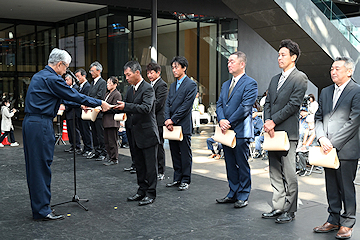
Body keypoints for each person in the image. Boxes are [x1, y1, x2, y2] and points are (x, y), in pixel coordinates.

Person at [22, 48, 110, 220]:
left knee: (34, 168)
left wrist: (81, 105)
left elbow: (62, 98)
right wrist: (99, 103)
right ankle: (42, 211)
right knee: (41, 167)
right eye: (66, 67)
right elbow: (73, 94)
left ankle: (39, 207)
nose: (66, 71)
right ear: (60, 64)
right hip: (41, 124)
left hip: (31, 123)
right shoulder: (53, 78)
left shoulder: (40, 76)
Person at [313, 56, 360, 239]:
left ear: (349, 71)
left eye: (337, 69)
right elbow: (318, 117)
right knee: (331, 185)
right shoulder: (325, 91)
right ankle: (333, 219)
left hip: (346, 149)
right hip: (326, 147)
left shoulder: (357, 91)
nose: (333, 71)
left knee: (346, 187)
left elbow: (354, 121)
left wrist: (332, 142)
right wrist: (322, 137)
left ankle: (347, 223)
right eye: (332, 68)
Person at [262, 39, 308, 223]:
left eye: (283, 55)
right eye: (278, 55)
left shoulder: (300, 77)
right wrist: (267, 121)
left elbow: (293, 105)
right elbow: (267, 103)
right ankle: (278, 206)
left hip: (288, 133)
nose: (279, 58)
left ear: (293, 57)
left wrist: (273, 121)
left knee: (289, 174)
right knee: (274, 171)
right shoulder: (274, 79)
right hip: (271, 131)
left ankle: (290, 210)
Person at [215, 51, 258, 208]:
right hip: (226, 131)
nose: (229, 64)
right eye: (228, 62)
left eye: (232, 61)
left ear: (242, 64)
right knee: (230, 163)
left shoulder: (250, 83)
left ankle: (243, 194)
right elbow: (219, 104)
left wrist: (229, 122)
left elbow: (245, 107)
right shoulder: (226, 84)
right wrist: (221, 120)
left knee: (242, 163)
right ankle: (232, 192)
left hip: (240, 131)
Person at [115, 60, 159, 206]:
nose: (126, 78)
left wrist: (126, 106)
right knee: (139, 164)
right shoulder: (130, 90)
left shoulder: (148, 89)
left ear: (137, 73)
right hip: (133, 132)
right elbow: (126, 107)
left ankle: (151, 193)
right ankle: (141, 190)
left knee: (150, 165)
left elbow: (146, 108)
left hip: (147, 133)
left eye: (128, 75)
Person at [164, 56, 197, 191]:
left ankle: (185, 179)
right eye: (172, 67)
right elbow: (167, 103)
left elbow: (186, 106)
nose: (174, 70)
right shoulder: (172, 85)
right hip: (171, 125)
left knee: (185, 153)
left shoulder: (191, 84)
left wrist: (173, 119)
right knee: (174, 153)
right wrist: (167, 119)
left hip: (183, 124)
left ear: (184, 68)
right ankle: (177, 178)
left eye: (176, 67)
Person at [146, 62, 168, 181]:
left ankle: (161, 170)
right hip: (150, 119)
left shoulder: (162, 85)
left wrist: (146, 107)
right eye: (148, 73)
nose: (149, 75)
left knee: (159, 145)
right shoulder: (149, 85)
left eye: (151, 73)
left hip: (158, 120)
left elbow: (159, 103)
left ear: (158, 73)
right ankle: (153, 169)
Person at [86, 61, 107, 161]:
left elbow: (100, 96)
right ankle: (97, 151)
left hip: (98, 112)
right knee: (93, 132)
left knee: (100, 133)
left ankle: (103, 152)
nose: (91, 72)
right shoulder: (92, 83)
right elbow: (90, 95)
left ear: (99, 71)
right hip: (91, 111)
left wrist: (89, 102)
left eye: (92, 70)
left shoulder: (102, 83)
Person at [102, 76, 122, 166]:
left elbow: (116, 107)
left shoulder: (117, 94)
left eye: (109, 83)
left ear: (115, 84)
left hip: (112, 120)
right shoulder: (107, 94)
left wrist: (107, 109)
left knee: (112, 140)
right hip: (106, 120)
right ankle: (109, 156)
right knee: (106, 140)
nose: (108, 85)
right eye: (107, 83)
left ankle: (114, 158)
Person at [75, 68, 93, 157]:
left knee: (86, 131)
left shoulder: (87, 86)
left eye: (78, 76)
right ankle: (85, 147)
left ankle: (89, 148)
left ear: (84, 76)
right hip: (80, 112)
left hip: (85, 112)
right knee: (82, 130)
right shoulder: (80, 87)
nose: (77, 78)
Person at [63, 74, 82, 154]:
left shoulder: (76, 88)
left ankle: (77, 146)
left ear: (72, 80)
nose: (66, 81)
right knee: (70, 130)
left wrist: (66, 107)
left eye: (67, 80)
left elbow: (74, 101)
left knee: (74, 130)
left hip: (73, 112)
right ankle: (72, 145)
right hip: (68, 113)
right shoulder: (68, 88)